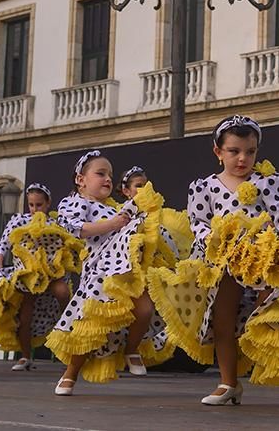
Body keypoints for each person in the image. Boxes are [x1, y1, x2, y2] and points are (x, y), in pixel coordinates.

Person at [147, 115, 279, 405]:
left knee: (270, 307)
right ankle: (228, 382)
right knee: (222, 318)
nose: (243, 158)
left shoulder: (268, 182)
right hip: (225, 260)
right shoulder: (205, 187)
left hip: (264, 258)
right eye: (234, 151)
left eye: (250, 151)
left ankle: (269, 351)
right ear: (218, 152)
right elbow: (198, 222)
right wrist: (212, 239)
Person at [46, 151, 177, 395]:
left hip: (126, 272)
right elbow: (75, 228)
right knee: (90, 327)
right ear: (81, 179)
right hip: (100, 276)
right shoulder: (78, 202)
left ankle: (131, 349)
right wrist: (113, 224)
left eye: (110, 175)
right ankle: (70, 373)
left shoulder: (116, 208)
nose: (107, 179)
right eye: (100, 173)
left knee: (145, 310)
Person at [0, 182, 81, 371]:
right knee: (25, 314)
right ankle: (25, 356)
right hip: (27, 275)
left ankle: (69, 328)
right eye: (31, 205)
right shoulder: (19, 221)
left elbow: (70, 243)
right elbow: (4, 243)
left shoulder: (55, 223)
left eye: (39, 205)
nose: (34, 209)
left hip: (51, 273)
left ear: (48, 203)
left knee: (63, 293)